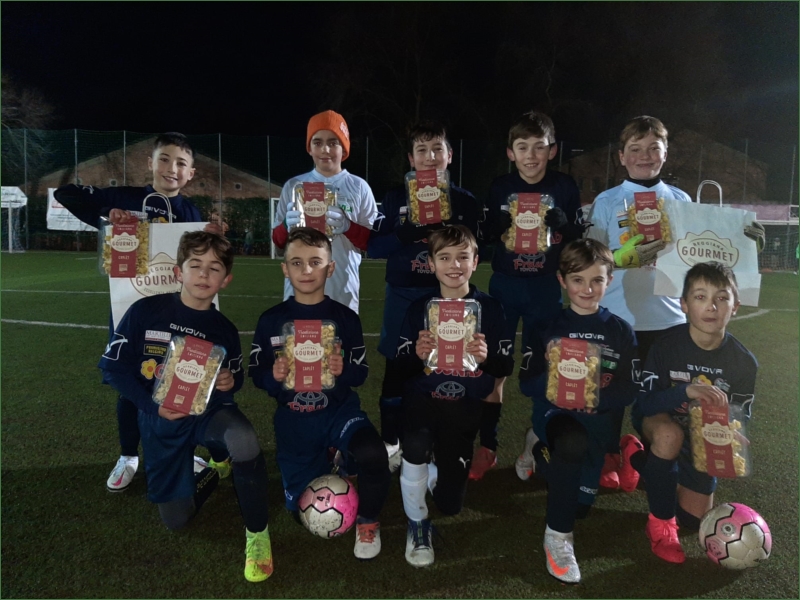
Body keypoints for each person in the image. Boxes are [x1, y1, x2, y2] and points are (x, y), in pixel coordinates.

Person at [98, 231, 273, 582]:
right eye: (196, 265)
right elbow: (113, 369)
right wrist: (151, 406)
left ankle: (258, 534)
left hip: (208, 414)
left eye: (214, 268)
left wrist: (229, 380)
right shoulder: (145, 311)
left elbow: (235, 376)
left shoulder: (224, 329)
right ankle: (211, 473)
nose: (204, 274)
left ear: (226, 280)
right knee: (177, 520)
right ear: (179, 272)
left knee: (243, 440)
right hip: (160, 419)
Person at [55, 132, 225, 493]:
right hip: (132, 312)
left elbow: (202, 259)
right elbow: (65, 193)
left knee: (181, 380)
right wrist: (106, 215)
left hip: (176, 312)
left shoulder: (190, 213)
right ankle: (128, 456)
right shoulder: (125, 198)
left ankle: (180, 449)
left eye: (180, 163)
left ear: (190, 173)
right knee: (132, 384)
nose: (171, 168)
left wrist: (213, 235)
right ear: (150, 163)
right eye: (164, 159)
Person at [249, 227, 390, 560]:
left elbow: (361, 373)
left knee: (374, 453)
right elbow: (256, 374)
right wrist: (273, 376)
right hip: (295, 419)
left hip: (339, 412)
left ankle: (367, 521)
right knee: (299, 511)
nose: (306, 270)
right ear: (285, 269)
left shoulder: (345, 319)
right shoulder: (271, 321)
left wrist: (344, 370)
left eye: (315, 262)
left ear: (331, 268)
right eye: (297, 263)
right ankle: (333, 458)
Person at [515, 239, 638, 583]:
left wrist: (596, 398)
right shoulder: (545, 326)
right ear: (562, 280)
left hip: (596, 423)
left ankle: (536, 448)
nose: (587, 289)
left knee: (580, 505)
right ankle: (558, 538)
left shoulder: (621, 331)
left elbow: (629, 389)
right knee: (570, 445)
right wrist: (554, 379)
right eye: (578, 280)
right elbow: (526, 384)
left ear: (609, 280)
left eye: (597, 280)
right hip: (555, 415)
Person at [367, 120, 484, 471]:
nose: (430, 157)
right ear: (411, 158)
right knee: (397, 368)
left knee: (443, 370)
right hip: (403, 296)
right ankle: (391, 440)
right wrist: (405, 232)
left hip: (447, 299)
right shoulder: (395, 197)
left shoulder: (464, 201)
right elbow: (374, 247)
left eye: (437, 150)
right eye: (422, 150)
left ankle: (436, 440)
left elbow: (479, 250)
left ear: (450, 155)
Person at [584, 116, 693, 491]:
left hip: (668, 320)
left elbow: (696, 256)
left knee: (661, 400)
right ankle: (608, 455)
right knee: (607, 394)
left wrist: (742, 241)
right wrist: (622, 257)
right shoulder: (606, 201)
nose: (644, 156)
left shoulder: (680, 201)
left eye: (653, 148)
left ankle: (648, 454)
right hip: (618, 317)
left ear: (665, 153)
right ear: (621, 156)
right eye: (635, 149)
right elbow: (591, 259)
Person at [395, 225, 514, 567]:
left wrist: (485, 357)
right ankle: (417, 523)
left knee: (450, 504)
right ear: (431, 263)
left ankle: (431, 470)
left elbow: (505, 366)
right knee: (415, 444)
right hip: (423, 401)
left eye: (462, 257)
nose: (454, 265)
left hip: (464, 409)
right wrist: (416, 355)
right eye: (444, 257)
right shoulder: (419, 308)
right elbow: (399, 370)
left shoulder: (491, 309)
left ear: (475, 262)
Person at [624, 262, 757, 564]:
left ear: (735, 306)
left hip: (702, 440)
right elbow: (646, 404)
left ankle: (638, 460)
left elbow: (740, 414)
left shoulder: (744, 362)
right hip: (660, 422)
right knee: (669, 435)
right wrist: (685, 392)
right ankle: (660, 526)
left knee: (694, 520)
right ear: (684, 304)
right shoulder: (666, 346)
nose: (711, 307)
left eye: (721, 298)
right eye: (700, 297)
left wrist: (733, 432)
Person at [480, 110, 584, 481]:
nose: (531, 155)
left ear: (552, 150)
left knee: (544, 367)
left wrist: (566, 227)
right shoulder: (500, 187)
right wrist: (493, 228)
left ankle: (536, 439)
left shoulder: (564, 186)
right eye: (522, 147)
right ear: (511, 152)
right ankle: (487, 445)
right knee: (495, 367)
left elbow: (577, 239)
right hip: (505, 286)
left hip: (544, 288)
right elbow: (483, 238)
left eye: (539, 147)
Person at [271, 110, 378, 313]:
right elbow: (277, 242)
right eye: (318, 142)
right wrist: (285, 226)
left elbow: (372, 244)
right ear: (309, 148)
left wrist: (348, 227)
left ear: (344, 148)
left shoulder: (359, 187)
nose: (325, 149)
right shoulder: (294, 185)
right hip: (299, 292)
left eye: (333, 142)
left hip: (343, 291)